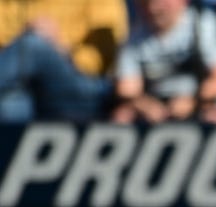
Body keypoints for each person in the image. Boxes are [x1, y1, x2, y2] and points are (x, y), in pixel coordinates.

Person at [111, 0, 216, 124]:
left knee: (215, 115)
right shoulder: (133, 36)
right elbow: (127, 89)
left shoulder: (201, 23)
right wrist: (146, 105)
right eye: (147, 2)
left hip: (200, 99)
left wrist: (192, 101)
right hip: (157, 103)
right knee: (122, 115)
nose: (154, 7)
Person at [0, 0, 128, 121]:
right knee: (10, 103)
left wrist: (57, 47)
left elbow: (101, 59)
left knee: (33, 45)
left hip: (84, 85)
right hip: (25, 83)